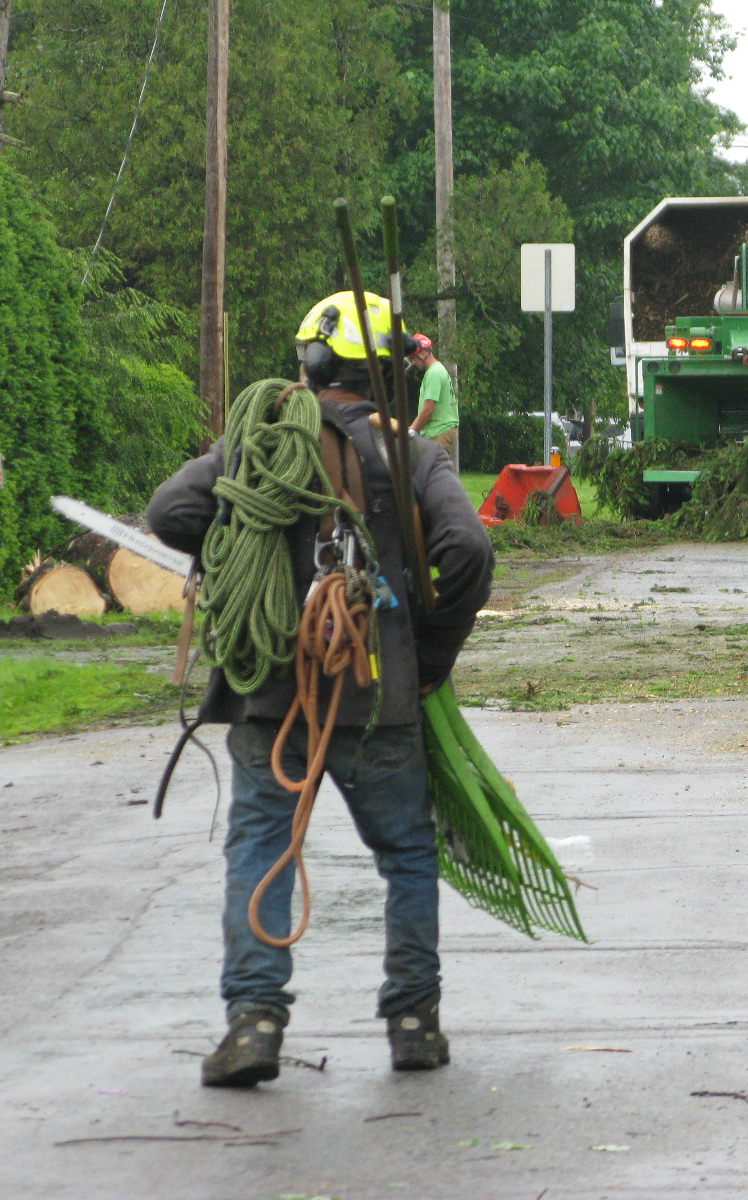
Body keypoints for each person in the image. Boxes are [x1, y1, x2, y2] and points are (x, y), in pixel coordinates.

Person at [146, 292, 494, 1088]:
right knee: (407, 852)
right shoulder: (408, 456)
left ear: (310, 362)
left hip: (269, 697)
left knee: (259, 851)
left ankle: (254, 1027)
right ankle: (413, 1021)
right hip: (379, 697)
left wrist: (243, 542)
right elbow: (467, 550)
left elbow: (170, 511)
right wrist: (428, 654)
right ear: (388, 375)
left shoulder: (256, 445)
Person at [409, 333, 459, 467]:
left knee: (432, 472)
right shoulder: (436, 370)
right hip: (437, 430)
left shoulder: (434, 373)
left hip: (439, 431)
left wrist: (412, 430)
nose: (413, 362)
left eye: (414, 357)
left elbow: (428, 409)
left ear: (425, 352)